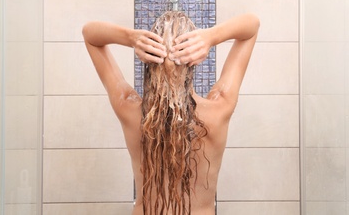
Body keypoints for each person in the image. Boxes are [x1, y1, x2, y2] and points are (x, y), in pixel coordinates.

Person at [83, 11, 259, 215]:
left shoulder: (129, 109)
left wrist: (131, 38)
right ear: (193, 59)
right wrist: (210, 37)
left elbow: (90, 34)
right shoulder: (219, 108)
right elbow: (252, 25)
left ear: (149, 56)